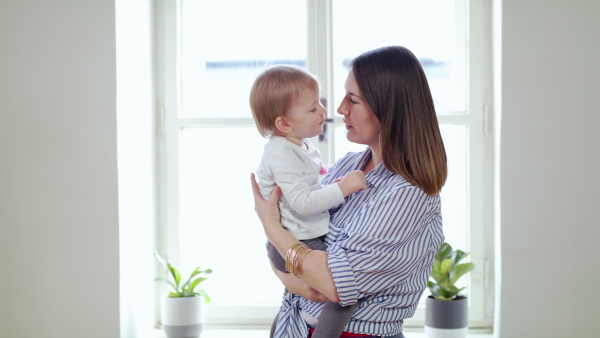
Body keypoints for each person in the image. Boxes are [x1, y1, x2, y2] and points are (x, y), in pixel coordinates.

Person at [251, 46, 448, 338]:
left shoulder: (409, 193)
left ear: (388, 107)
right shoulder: (349, 164)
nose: (340, 108)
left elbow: (333, 284)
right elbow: (300, 233)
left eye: (352, 99)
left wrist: (270, 224)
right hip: (294, 324)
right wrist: (293, 279)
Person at [250, 65, 367, 338]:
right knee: (343, 296)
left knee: (300, 299)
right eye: (313, 108)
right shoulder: (281, 153)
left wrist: (325, 174)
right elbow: (302, 203)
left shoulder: (299, 143)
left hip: (301, 236)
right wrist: (343, 188)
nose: (325, 112)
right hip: (295, 241)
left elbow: (308, 175)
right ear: (284, 124)